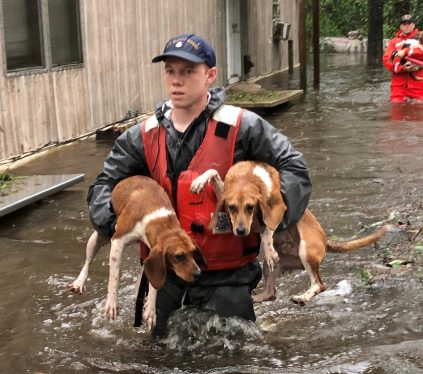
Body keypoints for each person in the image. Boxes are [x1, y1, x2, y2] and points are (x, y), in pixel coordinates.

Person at [87, 33, 312, 338]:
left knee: (233, 369)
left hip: (228, 276)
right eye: (170, 71)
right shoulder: (141, 136)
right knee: (160, 366)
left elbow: (295, 168)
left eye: (188, 71)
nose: (176, 81)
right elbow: (104, 184)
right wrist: (116, 222)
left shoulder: (243, 126)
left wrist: (271, 216)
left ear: (210, 75)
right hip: (164, 272)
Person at [382, 14, 423, 103]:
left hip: (417, 83)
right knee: (396, 109)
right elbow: (387, 60)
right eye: (404, 23)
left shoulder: (421, 38)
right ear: (401, 26)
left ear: (413, 25)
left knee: (419, 111)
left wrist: (406, 51)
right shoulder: (394, 42)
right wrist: (402, 67)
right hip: (398, 85)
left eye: (409, 23)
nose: (407, 25)